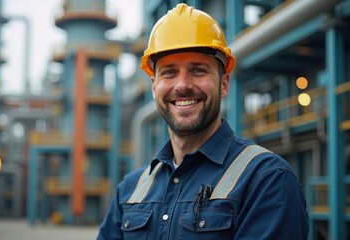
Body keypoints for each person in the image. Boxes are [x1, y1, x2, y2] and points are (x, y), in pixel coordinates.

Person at [97, 3, 308, 239]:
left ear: (224, 83)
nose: (182, 85)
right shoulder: (129, 190)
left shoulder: (266, 180)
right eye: (169, 72)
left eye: (198, 70)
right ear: (154, 86)